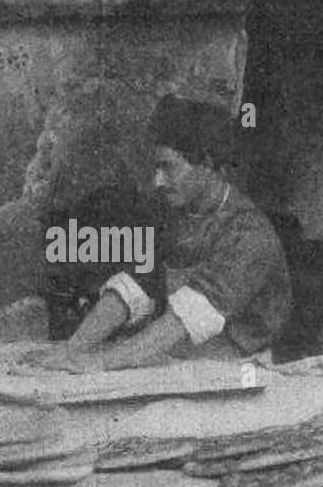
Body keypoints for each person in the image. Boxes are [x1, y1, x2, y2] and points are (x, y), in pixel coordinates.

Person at [36, 95, 292, 372]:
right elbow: (138, 282)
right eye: (155, 168)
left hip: (240, 370)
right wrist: (74, 349)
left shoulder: (249, 233)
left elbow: (188, 318)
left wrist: (99, 363)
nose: (157, 181)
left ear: (206, 163)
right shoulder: (171, 214)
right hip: (177, 357)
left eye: (168, 167)